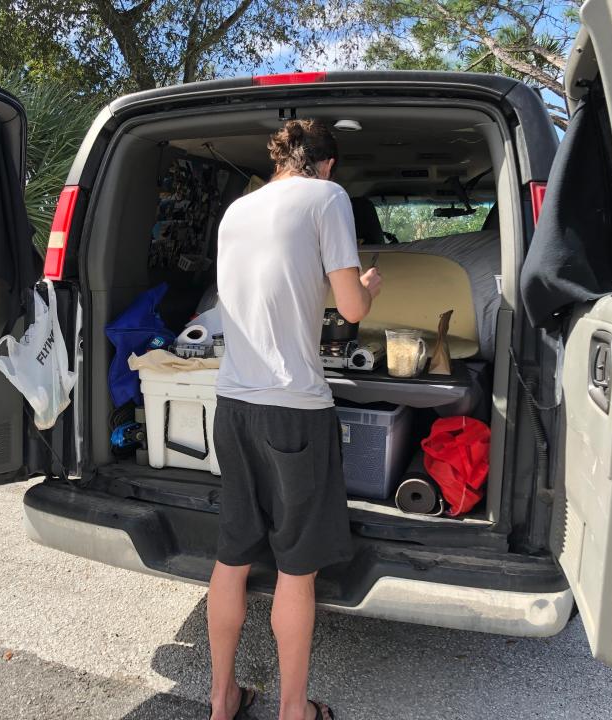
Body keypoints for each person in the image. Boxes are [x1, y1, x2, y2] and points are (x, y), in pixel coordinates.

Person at [208, 119, 382, 720]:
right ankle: (292, 709)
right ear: (326, 164)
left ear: (280, 161)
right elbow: (352, 307)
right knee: (295, 567)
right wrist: (368, 285)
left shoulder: (237, 212)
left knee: (231, 555)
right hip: (293, 410)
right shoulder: (328, 198)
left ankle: (222, 697)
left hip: (231, 405)